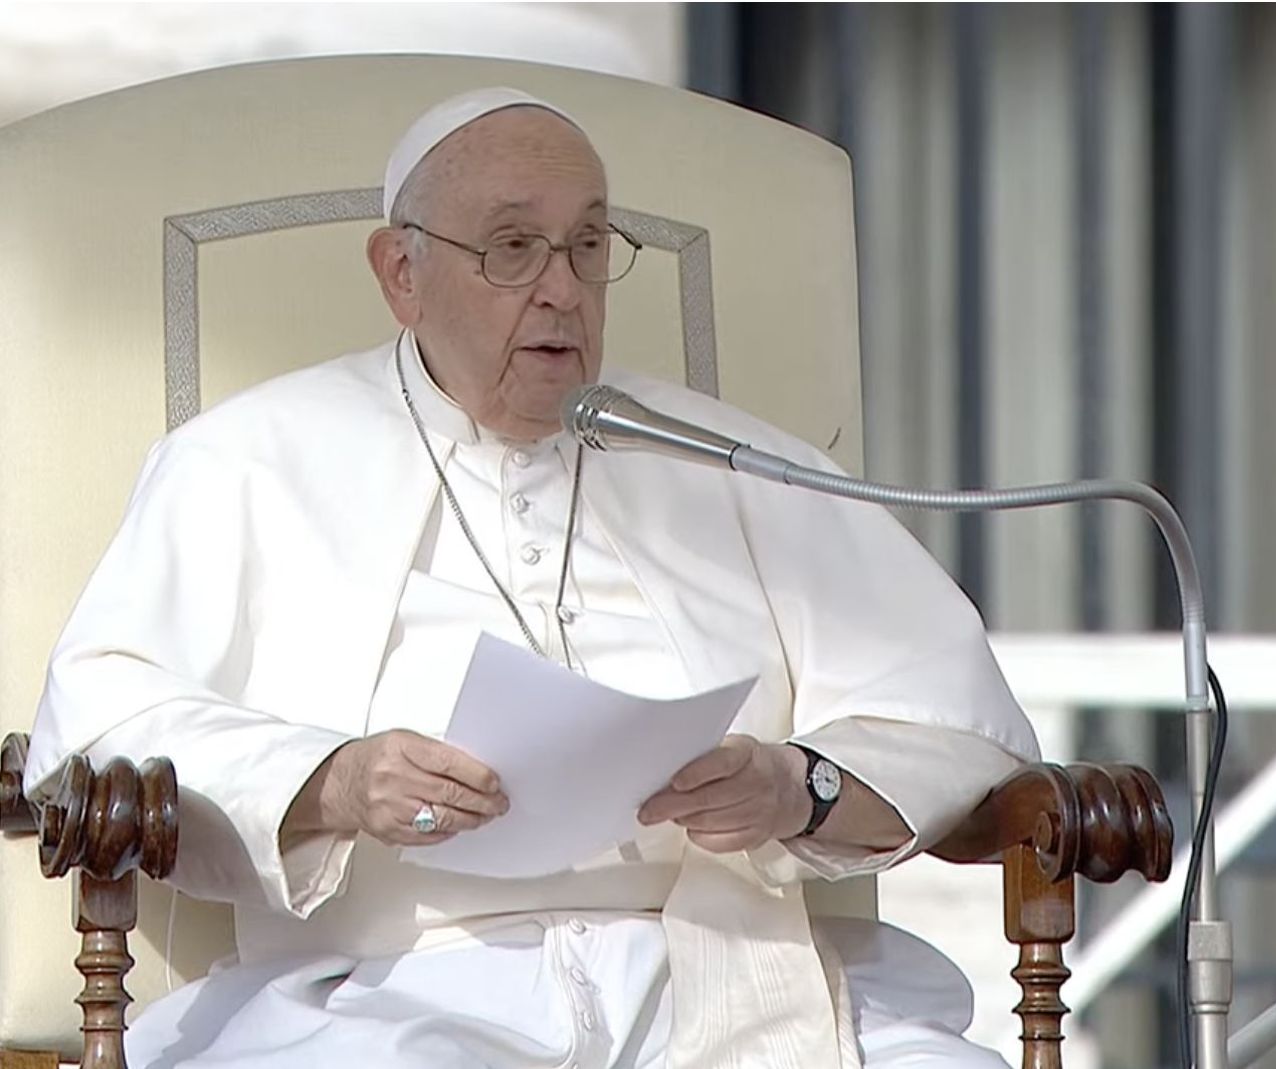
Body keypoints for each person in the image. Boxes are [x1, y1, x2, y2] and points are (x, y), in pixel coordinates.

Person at [22, 89, 1038, 1069]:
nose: (561, 288)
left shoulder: (729, 464)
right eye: (512, 247)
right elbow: (98, 728)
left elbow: (954, 725)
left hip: (727, 979)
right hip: (392, 991)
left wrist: (797, 785)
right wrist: (332, 781)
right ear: (400, 273)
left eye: (589, 245)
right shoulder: (247, 462)